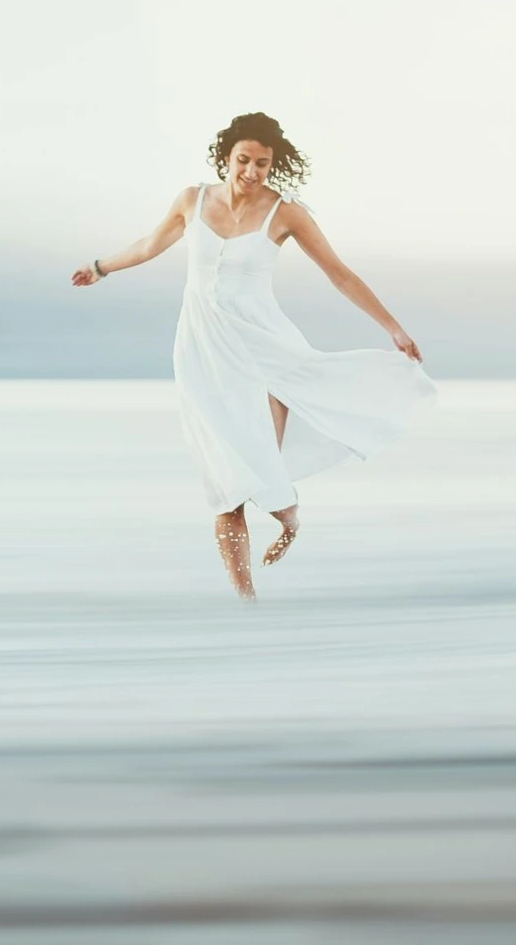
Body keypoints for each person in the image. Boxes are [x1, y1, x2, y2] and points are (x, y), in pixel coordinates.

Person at [72, 112, 438, 601]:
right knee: (225, 485)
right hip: (202, 352)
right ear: (226, 156)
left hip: (266, 352)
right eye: (243, 160)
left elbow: (340, 274)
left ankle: (288, 519)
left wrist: (392, 327)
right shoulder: (192, 200)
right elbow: (149, 244)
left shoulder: (285, 213)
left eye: (262, 164)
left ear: (273, 164)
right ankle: (246, 604)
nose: (251, 171)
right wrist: (101, 268)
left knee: (259, 466)